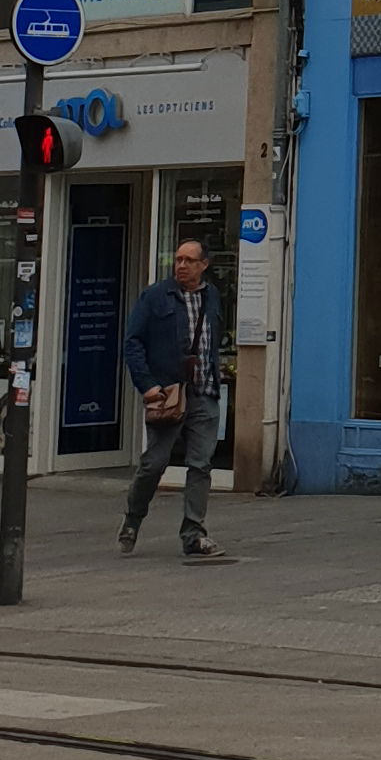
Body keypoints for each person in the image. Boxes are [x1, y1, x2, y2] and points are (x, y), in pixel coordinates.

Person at [120, 233, 232, 562]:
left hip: (204, 392)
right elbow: (133, 342)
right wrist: (147, 386)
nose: (181, 266)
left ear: (204, 265)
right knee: (154, 463)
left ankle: (193, 533)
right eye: (178, 260)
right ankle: (132, 518)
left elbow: (212, 338)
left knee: (201, 464)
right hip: (168, 393)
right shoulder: (156, 297)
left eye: (188, 261)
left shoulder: (212, 295)